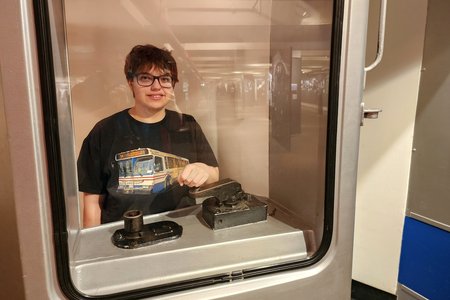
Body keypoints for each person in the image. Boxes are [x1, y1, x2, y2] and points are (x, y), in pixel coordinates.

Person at [77, 44, 219, 228]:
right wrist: (95, 250)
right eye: (145, 78)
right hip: (123, 235)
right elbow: (92, 202)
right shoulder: (104, 131)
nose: (156, 86)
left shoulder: (187, 125)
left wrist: (203, 171)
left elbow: (214, 174)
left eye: (165, 79)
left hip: (182, 229)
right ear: (130, 82)